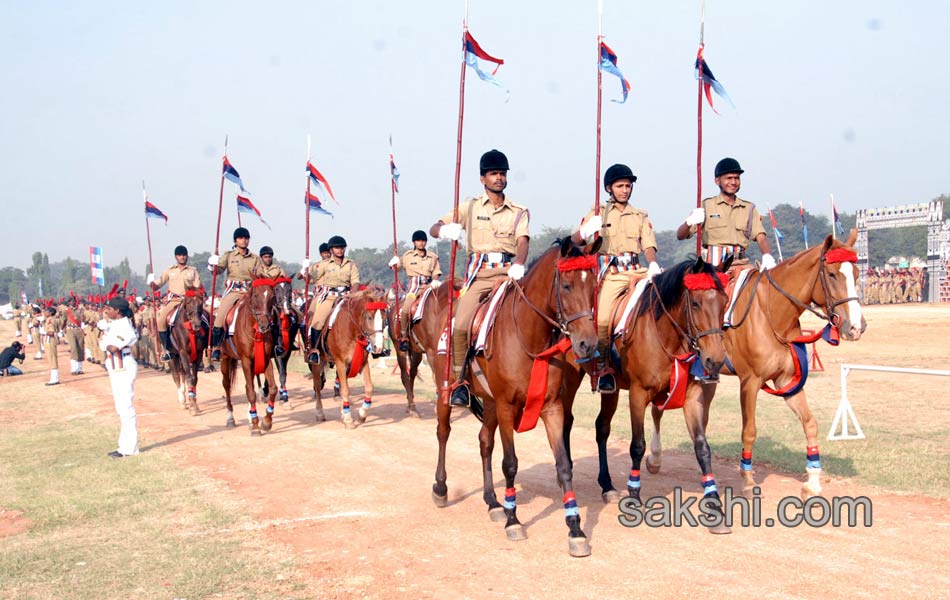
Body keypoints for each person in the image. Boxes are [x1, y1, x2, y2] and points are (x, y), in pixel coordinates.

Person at [429, 149, 529, 407]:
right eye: (493, 174)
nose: (499, 178)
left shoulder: (519, 211)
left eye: (502, 174)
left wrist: (519, 263)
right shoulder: (469, 206)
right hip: (480, 276)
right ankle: (459, 381)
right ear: (483, 178)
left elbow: (522, 241)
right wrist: (444, 230)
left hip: (510, 274)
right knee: (461, 324)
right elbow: (434, 227)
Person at [573, 163, 661, 393]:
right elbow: (575, 241)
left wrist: (652, 264)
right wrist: (585, 231)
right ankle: (603, 368)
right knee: (602, 320)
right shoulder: (598, 213)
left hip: (638, 270)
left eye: (628, 186)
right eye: (620, 186)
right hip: (612, 276)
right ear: (609, 188)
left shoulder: (640, 216)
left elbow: (648, 244)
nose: (625, 190)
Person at [676, 157, 775, 269]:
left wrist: (767, 256)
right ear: (717, 181)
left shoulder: (749, 208)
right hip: (712, 266)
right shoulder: (705, 206)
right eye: (728, 178)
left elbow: (761, 237)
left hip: (741, 265)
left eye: (736, 178)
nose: (733, 182)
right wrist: (689, 222)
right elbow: (680, 235)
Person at [300, 235, 360, 363]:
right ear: (331, 250)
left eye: (342, 247)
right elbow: (310, 278)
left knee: (363, 316)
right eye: (337, 248)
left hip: (346, 296)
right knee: (317, 322)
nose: (340, 250)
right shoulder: (324, 264)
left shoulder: (350, 265)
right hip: (329, 297)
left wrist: (352, 293)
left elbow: (355, 282)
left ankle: (370, 347)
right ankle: (315, 351)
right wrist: (304, 271)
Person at [207, 228, 262, 360]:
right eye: (241, 238)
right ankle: (217, 347)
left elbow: (260, 274)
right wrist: (212, 265)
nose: (244, 240)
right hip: (234, 291)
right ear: (235, 240)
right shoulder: (229, 255)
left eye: (246, 238)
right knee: (220, 317)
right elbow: (218, 271)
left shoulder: (255, 258)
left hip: (250, 292)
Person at [389, 230, 443, 351]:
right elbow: (395, 267)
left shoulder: (433, 257)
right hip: (414, 288)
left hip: (429, 287)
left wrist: (434, 281)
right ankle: (404, 336)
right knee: (406, 310)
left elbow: (436, 273)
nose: (421, 243)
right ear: (414, 242)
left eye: (423, 240)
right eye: (418, 240)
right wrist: (394, 262)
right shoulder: (408, 256)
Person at [99, 296, 140, 458]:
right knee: (121, 408)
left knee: (126, 407)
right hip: (116, 366)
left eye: (109, 308)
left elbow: (113, 347)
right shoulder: (115, 324)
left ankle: (130, 448)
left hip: (123, 365)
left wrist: (104, 343)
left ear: (118, 311)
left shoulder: (125, 327)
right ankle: (124, 445)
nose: (107, 311)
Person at [149, 245, 203, 361]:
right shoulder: (170, 270)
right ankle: (167, 349)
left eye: (184, 255)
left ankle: (209, 346)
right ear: (176, 257)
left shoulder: (192, 271)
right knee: (161, 321)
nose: (182, 257)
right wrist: (152, 283)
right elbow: (158, 284)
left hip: (190, 301)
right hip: (174, 301)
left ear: (187, 256)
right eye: (179, 255)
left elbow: (198, 287)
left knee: (207, 317)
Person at [63, 301, 86, 375]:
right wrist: (62, 329)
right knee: (73, 348)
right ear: (69, 302)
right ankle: (73, 368)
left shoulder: (80, 310)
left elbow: (83, 319)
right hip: (70, 330)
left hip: (78, 329)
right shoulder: (66, 311)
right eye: (71, 301)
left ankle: (79, 368)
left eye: (74, 301)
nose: (73, 302)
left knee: (80, 348)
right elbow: (64, 320)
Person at [43, 305, 62, 385]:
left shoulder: (50, 320)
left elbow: (51, 332)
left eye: (46, 311)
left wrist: (44, 332)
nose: (45, 312)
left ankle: (55, 378)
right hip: (50, 339)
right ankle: (54, 377)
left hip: (50, 339)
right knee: (51, 358)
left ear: (50, 313)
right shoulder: (52, 319)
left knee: (52, 358)